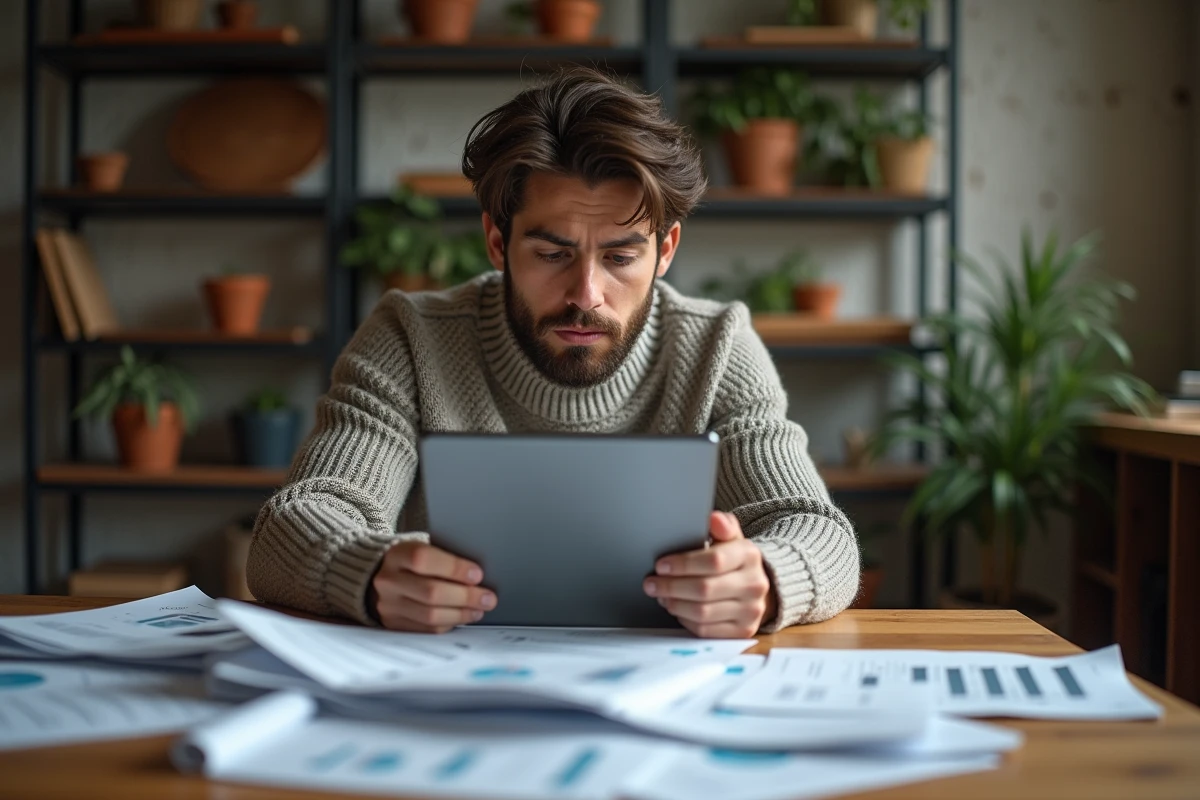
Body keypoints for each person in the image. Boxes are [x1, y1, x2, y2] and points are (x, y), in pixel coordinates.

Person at [247, 67, 859, 638]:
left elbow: (817, 529)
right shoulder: (410, 337)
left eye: (620, 257)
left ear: (666, 250)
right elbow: (292, 525)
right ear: (497, 241)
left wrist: (768, 578)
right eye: (552, 253)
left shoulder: (717, 346)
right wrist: (370, 570)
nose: (586, 295)